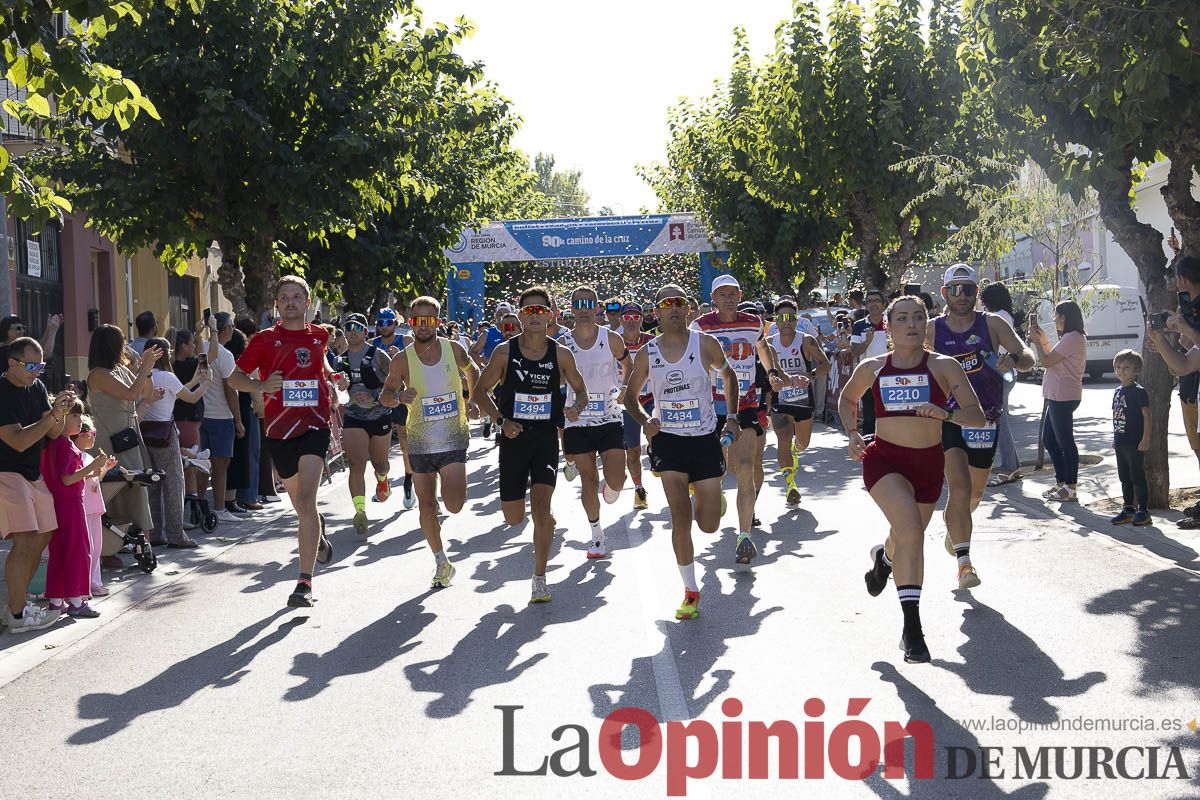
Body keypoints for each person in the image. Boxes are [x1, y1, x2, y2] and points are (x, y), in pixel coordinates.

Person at [839, 296, 984, 663]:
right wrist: (853, 433)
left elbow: (977, 416)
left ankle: (884, 563)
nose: (912, 324)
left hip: (928, 465)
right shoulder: (873, 367)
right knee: (913, 533)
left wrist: (945, 414)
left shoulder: (944, 366)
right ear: (888, 326)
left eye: (919, 317)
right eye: (902, 318)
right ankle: (912, 630)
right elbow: (846, 399)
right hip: (885, 461)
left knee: (904, 535)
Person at [624, 284, 740, 619]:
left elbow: (728, 376)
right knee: (680, 517)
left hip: (704, 439)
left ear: (689, 309)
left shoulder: (704, 343)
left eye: (680, 302)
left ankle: (708, 496)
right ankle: (690, 591)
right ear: (656, 312)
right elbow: (630, 396)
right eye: (666, 304)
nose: (673, 308)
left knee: (708, 525)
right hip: (669, 441)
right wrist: (646, 420)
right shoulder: (648, 352)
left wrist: (731, 417)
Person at [474, 286, 589, 604]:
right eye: (529, 311)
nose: (535, 316)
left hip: (545, 440)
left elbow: (582, 391)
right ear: (521, 316)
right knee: (513, 517)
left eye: (541, 311)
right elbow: (479, 392)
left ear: (550, 315)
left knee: (541, 510)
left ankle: (539, 578)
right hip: (512, 440)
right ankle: (537, 519)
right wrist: (500, 421)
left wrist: (576, 409)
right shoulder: (504, 353)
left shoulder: (561, 354)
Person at [227, 276, 335, 608]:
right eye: (284, 297)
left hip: (315, 425)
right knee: (303, 508)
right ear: (277, 303)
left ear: (307, 302)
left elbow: (321, 364)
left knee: (306, 497)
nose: (291, 302)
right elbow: (234, 378)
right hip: (279, 431)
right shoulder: (264, 339)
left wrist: (332, 377)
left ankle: (304, 582)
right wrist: (260, 386)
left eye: (297, 296)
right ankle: (315, 533)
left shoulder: (321, 335)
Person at [929, 265, 1034, 590]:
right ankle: (964, 564)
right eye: (955, 289)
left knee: (973, 494)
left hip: (985, 420)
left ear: (977, 292)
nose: (962, 295)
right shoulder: (933, 330)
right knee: (958, 489)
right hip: (947, 418)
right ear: (944, 293)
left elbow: (1028, 356)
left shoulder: (993, 323)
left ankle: (954, 530)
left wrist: (1013, 361)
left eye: (969, 289)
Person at [380, 297, 478, 588]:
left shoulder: (454, 350)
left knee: (455, 504)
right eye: (416, 320)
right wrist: (398, 397)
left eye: (428, 320)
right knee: (426, 506)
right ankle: (440, 562)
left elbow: (473, 370)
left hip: (452, 438)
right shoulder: (401, 359)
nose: (422, 326)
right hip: (420, 441)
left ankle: (440, 510)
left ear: (437, 321)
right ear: (410, 322)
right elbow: (385, 395)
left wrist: (471, 399)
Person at [691, 274, 787, 567]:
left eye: (733, 293)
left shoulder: (754, 322)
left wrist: (773, 373)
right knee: (720, 469)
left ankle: (744, 536)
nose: (729, 299)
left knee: (745, 467)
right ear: (714, 299)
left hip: (744, 405)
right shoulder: (700, 327)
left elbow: (762, 348)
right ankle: (715, 489)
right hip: (710, 407)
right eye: (723, 294)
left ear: (739, 294)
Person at [0, 338, 77, 632]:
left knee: (44, 534)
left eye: (41, 365)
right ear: (12, 364)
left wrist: (61, 409)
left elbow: (55, 431)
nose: (37, 371)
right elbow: (18, 441)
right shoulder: (2, 392)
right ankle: (18, 616)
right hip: (6, 471)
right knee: (25, 538)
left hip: (33, 474)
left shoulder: (38, 387)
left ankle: (16, 608)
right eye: (31, 365)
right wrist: (52, 418)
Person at [559, 287, 629, 558]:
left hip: (609, 416)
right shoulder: (563, 343)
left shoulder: (610, 338)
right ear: (572, 309)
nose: (584, 309)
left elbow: (629, 365)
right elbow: (557, 380)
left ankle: (609, 488)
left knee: (617, 481)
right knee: (588, 480)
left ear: (597, 307)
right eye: (579, 304)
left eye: (589, 304)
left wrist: (624, 387)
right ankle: (596, 535)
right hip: (577, 419)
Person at [86, 325, 165, 542]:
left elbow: (144, 393)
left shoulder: (120, 369)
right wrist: (143, 368)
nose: (126, 346)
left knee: (137, 486)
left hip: (128, 437)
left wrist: (147, 370)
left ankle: (143, 543)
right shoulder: (98, 375)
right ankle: (112, 545)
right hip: (110, 441)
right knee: (114, 490)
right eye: (122, 341)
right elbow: (131, 394)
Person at [42, 398, 118, 619]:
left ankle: (57, 601)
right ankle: (76, 600)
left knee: (59, 552)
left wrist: (93, 471)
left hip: (56, 504)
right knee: (78, 550)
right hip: (71, 504)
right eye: (74, 415)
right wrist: (93, 467)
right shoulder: (66, 445)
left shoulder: (53, 443)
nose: (79, 419)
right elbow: (67, 479)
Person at [139, 336, 208, 548]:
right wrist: (206, 383)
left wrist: (195, 380)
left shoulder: (141, 376)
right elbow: (191, 398)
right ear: (165, 354)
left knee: (152, 485)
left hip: (144, 434)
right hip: (165, 436)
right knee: (174, 484)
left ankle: (156, 533)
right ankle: (177, 534)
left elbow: (172, 395)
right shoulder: (168, 377)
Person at [335, 313, 394, 536]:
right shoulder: (339, 360)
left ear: (366, 332)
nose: (351, 331)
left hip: (380, 415)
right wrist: (342, 391)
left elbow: (396, 384)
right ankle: (360, 511)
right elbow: (336, 392)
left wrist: (377, 397)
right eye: (347, 327)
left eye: (356, 327)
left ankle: (383, 480)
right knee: (357, 463)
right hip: (354, 417)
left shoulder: (379, 356)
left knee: (380, 464)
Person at [769, 296, 830, 506]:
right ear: (775, 320)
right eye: (782, 317)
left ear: (796, 320)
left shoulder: (806, 340)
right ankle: (790, 484)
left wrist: (810, 376)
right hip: (781, 398)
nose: (787, 321)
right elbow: (764, 373)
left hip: (803, 399)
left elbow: (826, 364)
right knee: (783, 441)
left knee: (802, 443)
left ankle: (797, 450)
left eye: (791, 317)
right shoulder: (769, 344)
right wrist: (773, 383)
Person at [1030, 301, 1087, 502]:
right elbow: (1051, 355)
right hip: (1057, 395)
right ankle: (1062, 482)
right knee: (1050, 440)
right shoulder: (1069, 338)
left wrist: (1036, 342)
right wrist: (1042, 339)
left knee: (1065, 442)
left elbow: (1045, 361)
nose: (1054, 320)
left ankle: (1070, 487)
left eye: (1056, 316)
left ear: (1064, 317)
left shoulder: (1072, 337)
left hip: (1063, 396)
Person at [199, 313, 244, 524]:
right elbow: (230, 390)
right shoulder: (225, 355)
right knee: (220, 465)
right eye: (232, 326)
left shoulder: (201, 349)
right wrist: (238, 420)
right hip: (220, 416)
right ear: (225, 328)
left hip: (201, 415)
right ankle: (218, 508)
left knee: (200, 465)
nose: (233, 329)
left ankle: (199, 508)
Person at [980, 282, 1023, 485]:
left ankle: (1009, 466)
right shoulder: (1004, 315)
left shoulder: (998, 318)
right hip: (1003, 372)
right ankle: (1013, 464)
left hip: (1001, 372)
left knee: (1001, 421)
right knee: (1001, 419)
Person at [374, 306, 415, 508]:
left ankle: (408, 481)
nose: (384, 326)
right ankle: (382, 481)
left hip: (400, 397)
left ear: (395, 324)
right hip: (380, 399)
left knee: (405, 442)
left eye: (388, 322)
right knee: (378, 450)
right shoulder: (373, 345)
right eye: (380, 323)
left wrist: (401, 356)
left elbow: (418, 362)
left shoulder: (405, 341)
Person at [1109, 349, 1152, 526]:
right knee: (1124, 477)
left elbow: (1147, 416)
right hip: (1121, 442)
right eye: (1118, 367)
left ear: (1136, 371)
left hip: (1135, 442)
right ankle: (1128, 508)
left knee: (1137, 476)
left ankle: (1143, 510)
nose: (1121, 371)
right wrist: (1115, 438)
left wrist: (1145, 439)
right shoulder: (1117, 391)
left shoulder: (1139, 392)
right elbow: (1117, 415)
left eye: (1126, 367)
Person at [619, 302, 654, 510]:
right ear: (621, 319)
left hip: (650, 398)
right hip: (625, 404)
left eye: (635, 317)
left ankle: (655, 451)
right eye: (627, 317)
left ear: (642, 319)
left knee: (657, 437)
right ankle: (639, 488)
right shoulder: (614, 342)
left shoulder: (652, 341)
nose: (631, 321)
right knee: (632, 451)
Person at [850, 290, 889, 436]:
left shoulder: (892, 322)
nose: (873, 304)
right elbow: (854, 351)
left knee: (889, 415)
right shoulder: (859, 326)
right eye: (870, 301)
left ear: (884, 304)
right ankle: (868, 452)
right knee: (869, 417)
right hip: (869, 378)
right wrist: (867, 341)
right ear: (865, 305)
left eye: (877, 300)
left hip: (891, 376)